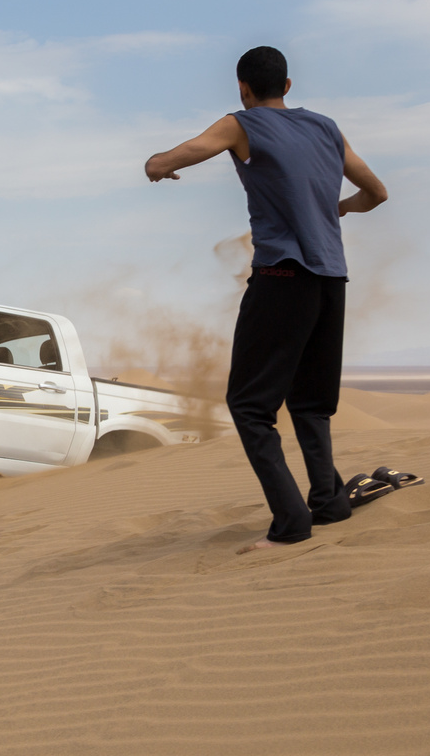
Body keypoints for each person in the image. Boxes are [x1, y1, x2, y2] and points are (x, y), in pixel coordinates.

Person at [144, 46, 387, 552]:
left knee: (250, 406)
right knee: (311, 403)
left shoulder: (242, 123)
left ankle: (290, 522)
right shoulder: (325, 127)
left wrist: (155, 165)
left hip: (281, 277)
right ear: (289, 85)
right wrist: (334, 210)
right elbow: (377, 193)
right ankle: (329, 501)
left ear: (243, 88)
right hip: (330, 279)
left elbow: (189, 151)